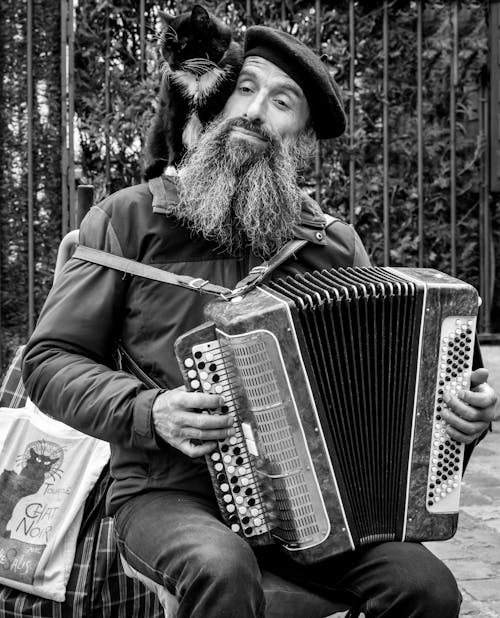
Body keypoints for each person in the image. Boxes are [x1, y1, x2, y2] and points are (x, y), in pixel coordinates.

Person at [22, 24, 497, 618]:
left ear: (301, 138)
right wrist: (149, 412)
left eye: (281, 102)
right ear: (216, 102)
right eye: (244, 89)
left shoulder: (333, 246)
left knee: (426, 588)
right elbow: (48, 361)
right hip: (168, 494)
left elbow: (401, 389)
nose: (253, 111)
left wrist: (460, 417)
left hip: (317, 505)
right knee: (222, 567)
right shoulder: (128, 219)